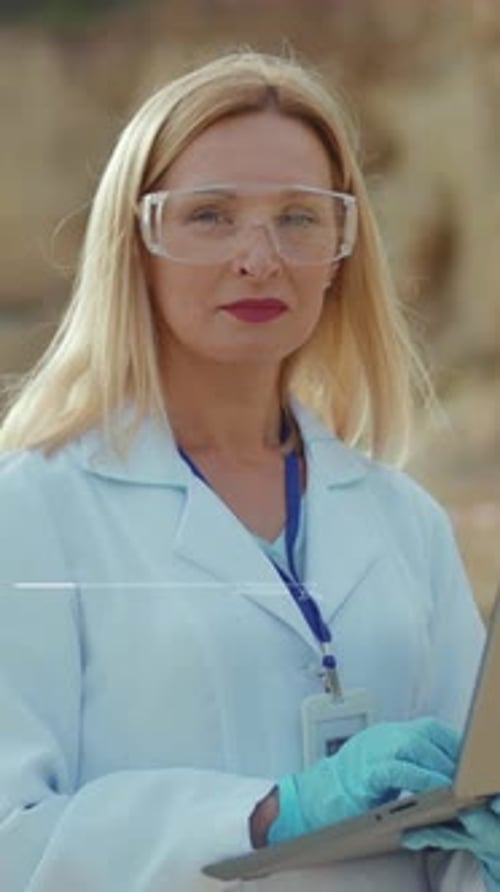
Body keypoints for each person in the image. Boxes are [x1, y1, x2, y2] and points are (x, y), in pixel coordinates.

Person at [0, 50, 498, 892]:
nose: (261, 258)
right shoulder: (32, 512)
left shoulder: (403, 519)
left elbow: (465, 811)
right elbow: (12, 835)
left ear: (344, 248)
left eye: (301, 217)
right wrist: (269, 815)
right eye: (211, 216)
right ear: (136, 242)